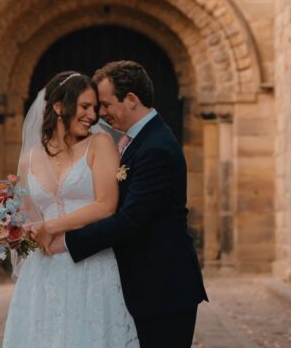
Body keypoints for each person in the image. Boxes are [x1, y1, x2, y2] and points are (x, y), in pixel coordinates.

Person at [35, 60, 208, 348]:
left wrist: (65, 241)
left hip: (163, 288)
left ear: (131, 100)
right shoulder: (137, 141)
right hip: (144, 286)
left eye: (105, 104)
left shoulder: (156, 149)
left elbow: (129, 221)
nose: (100, 113)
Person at [2, 71, 139, 347]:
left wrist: (50, 227)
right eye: (84, 107)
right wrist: (8, 229)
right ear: (58, 107)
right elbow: (28, 216)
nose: (92, 116)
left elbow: (106, 205)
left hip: (91, 262)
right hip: (43, 269)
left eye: (95, 108)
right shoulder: (29, 159)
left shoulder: (99, 145)